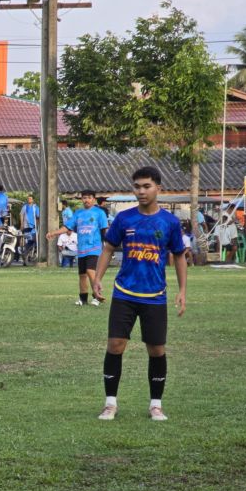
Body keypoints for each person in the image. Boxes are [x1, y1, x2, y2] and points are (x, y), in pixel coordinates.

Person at [92, 166, 187, 422]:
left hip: (155, 296)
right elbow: (108, 248)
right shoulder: (124, 219)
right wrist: (98, 278)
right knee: (115, 345)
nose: (141, 191)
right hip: (124, 293)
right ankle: (110, 404)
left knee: (156, 349)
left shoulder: (169, 222)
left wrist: (182, 291)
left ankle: (156, 405)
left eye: (146, 186)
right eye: (137, 186)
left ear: (158, 188)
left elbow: (179, 256)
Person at [47, 190, 108, 305]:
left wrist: (109, 244)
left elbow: (105, 230)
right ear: (82, 199)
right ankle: (83, 299)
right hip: (81, 249)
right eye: (84, 198)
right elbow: (67, 227)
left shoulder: (99, 213)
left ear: (94, 199)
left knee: (90, 271)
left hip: (94, 248)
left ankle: (96, 296)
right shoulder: (78, 213)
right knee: (82, 275)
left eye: (89, 197)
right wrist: (54, 233)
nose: (86, 200)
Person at [20, 194, 39, 262]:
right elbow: (21, 215)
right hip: (26, 226)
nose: (29, 200)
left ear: (33, 200)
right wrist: (22, 224)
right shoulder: (25, 207)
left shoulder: (35, 207)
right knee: (27, 241)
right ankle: (25, 255)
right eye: (28, 198)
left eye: (30, 198)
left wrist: (37, 225)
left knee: (33, 240)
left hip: (33, 227)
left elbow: (38, 217)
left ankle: (32, 254)